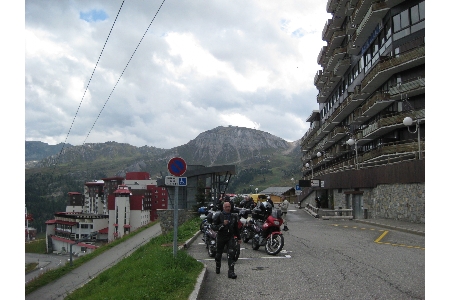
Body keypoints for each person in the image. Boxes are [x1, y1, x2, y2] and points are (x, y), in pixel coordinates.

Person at [211, 201, 242, 279]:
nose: (228, 208)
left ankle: (231, 272)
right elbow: (213, 227)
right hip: (221, 237)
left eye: (229, 207)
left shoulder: (233, 216)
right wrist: (222, 225)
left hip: (230, 237)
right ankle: (218, 266)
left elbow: (236, 228)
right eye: (227, 207)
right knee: (218, 254)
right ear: (223, 208)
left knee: (231, 253)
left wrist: (239, 238)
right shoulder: (219, 216)